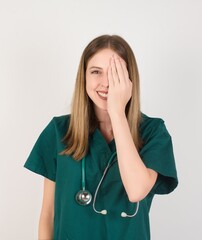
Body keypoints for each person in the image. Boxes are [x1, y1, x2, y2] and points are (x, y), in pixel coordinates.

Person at [24, 34, 178, 240]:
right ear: (84, 77)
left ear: (130, 80)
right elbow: (48, 213)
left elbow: (136, 190)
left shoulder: (153, 131)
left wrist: (116, 111)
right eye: (96, 72)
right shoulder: (59, 130)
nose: (106, 83)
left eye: (116, 73)